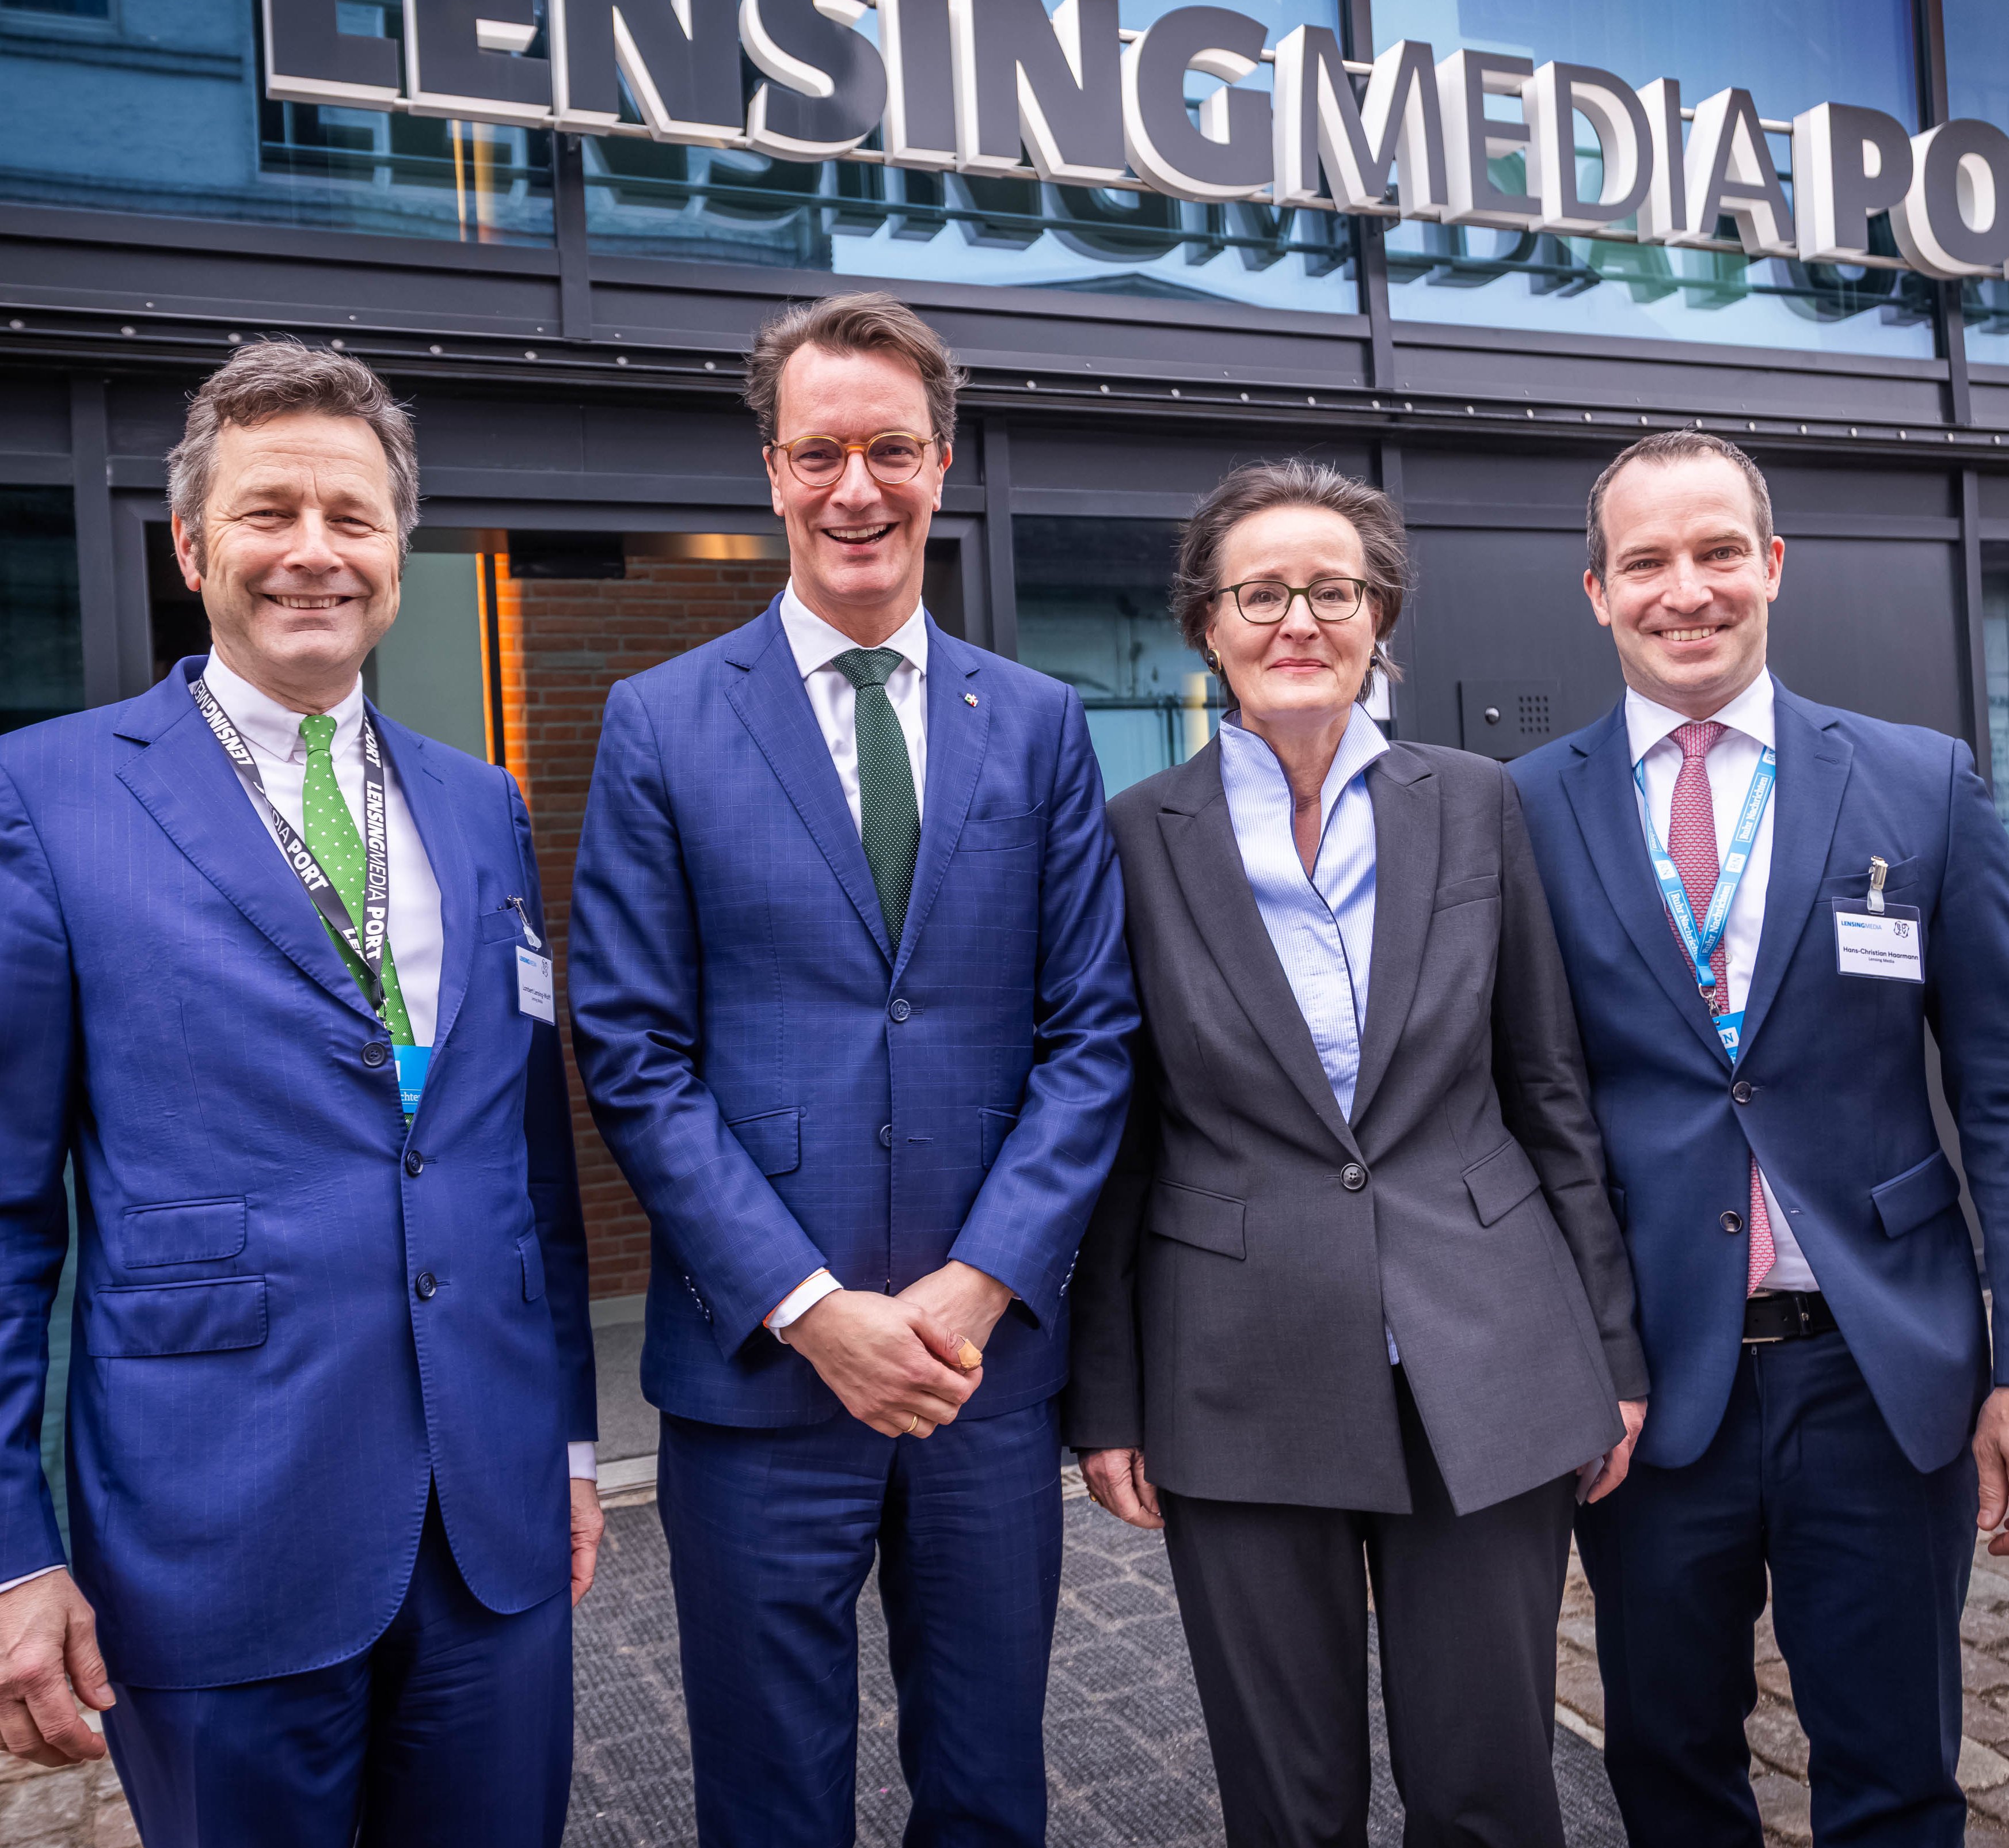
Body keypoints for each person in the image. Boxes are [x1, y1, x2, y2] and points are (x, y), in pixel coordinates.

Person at [0, 341, 598, 1846]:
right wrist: (13, 1551)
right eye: (269, 512)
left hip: (489, 1521)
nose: (314, 551)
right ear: (191, 547)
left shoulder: (482, 801)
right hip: (217, 1529)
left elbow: (525, 1163)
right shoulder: (48, 796)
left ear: (399, 551)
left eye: (353, 516)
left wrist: (571, 1444)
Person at [566, 289, 1135, 1847]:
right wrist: (812, 1307)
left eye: (889, 448)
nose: (855, 488)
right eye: (818, 453)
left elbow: (1090, 1034)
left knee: (989, 1782)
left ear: (941, 461)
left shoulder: (1040, 724)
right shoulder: (659, 723)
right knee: (768, 1796)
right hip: (760, 1368)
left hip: (977, 1371)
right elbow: (633, 1053)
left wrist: (980, 1284)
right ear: (772, 472)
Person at [1066, 460, 1647, 1847]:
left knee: (1486, 1782)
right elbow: (1118, 1136)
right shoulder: (1133, 836)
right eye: (1259, 592)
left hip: (1485, 1351)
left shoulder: (1476, 800)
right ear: (1205, 622)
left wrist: (1609, 1352)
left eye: (1331, 589)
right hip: (1233, 1363)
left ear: (1378, 613)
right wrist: (1107, 1396)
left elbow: (1544, 1087)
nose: (1297, 620)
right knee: (1288, 1796)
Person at [1509, 429, 2009, 1847]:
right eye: (1645, 562)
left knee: (1896, 1769)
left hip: (1878, 1366)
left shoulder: (1920, 781)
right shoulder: (1518, 808)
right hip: (1648, 1384)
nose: (1687, 590)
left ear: (1771, 564)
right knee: (1666, 1765)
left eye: (1717, 551)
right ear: (1596, 591)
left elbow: (1996, 1087)